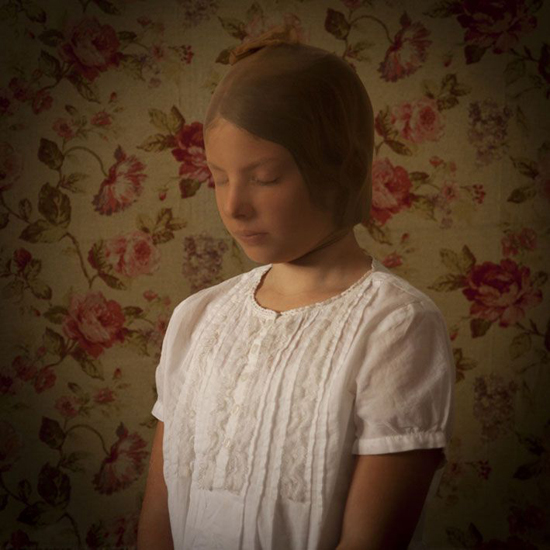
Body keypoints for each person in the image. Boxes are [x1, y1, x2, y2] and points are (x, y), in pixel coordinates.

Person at [138, 24, 454, 550]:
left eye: (264, 177)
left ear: (338, 169)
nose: (233, 205)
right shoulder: (198, 317)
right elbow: (158, 518)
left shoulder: (395, 327)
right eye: (219, 177)